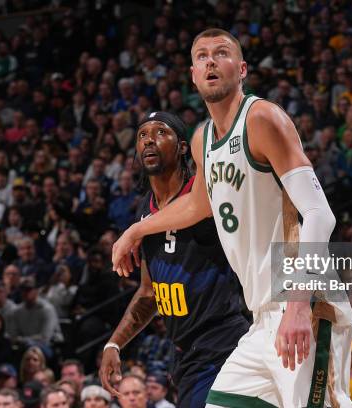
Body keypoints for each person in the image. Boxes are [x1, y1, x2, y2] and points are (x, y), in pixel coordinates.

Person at [111, 28, 352, 408]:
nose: (211, 61)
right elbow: (196, 206)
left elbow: (319, 214)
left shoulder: (262, 118)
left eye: (221, 53)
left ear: (241, 69)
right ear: (193, 74)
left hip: (301, 303)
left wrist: (296, 304)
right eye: (202, 56)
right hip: (261, 317)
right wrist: (136, 230)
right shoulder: (201, 139)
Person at [100, 112, 249, 407]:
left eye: (160, 132)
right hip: (183, 352)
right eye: (142, 135)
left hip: (222, 340)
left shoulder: (207, 193)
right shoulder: (145, 208)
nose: (149, 141)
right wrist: (114, 343)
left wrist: (136, 230)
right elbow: (149, 291)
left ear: (183, 147)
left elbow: (195, 206)